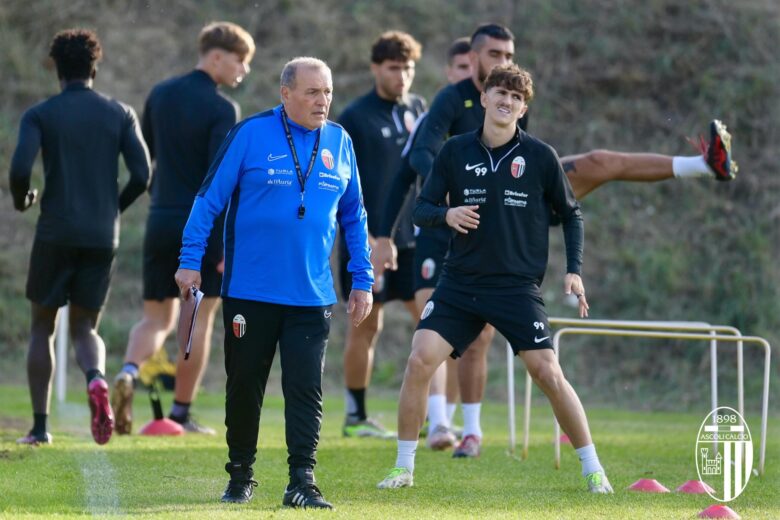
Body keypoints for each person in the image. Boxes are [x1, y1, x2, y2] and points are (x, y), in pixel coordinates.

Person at [375, 22, 737, 459]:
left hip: (514, 211)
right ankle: (447, 426)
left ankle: (704, 164)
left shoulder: (513, 100)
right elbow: (413, 162)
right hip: (460, 223)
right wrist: (393, 228)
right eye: (495, 56)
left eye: (509, 56)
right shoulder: (452, 102)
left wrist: (571, 266)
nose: (503, 63)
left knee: (598, 161)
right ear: (473, 62)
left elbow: (533, 168)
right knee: (452, 341)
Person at [377, 63, 613, 493]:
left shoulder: (540, 157)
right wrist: (447, 213)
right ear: (483, 98)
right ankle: (403, 467)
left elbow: (572, 214)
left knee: (548, 373)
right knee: (419, 360)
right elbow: (421, 210)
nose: (506, 102)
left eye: (516, 98)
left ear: (523, 109)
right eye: (499, 93)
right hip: (460, 283)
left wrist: (574, 271)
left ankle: (593, 468)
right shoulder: (453, 152)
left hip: (515, 288)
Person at [175, 57, 373, 510]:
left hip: (312, 295)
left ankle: (302, 480)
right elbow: (208, 200)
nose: (322, 101)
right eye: (311, 92)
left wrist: (362, 279)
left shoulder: (340, 142)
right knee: (245, 385)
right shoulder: (250, 134)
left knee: (306, 389)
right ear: (285, 94)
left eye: (327, 92)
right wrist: (190, 261)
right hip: (250, 291)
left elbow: (354, 216)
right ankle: (241, 474)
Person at [111, 21, 255, 436]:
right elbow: (220, 181)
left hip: (160, 218)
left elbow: (147, 158)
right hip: (202, 227)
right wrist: (227, 243)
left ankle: (129, 369)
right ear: (216, 56)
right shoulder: (224, 109)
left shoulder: (160, 94)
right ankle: (179, 413)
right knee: (198, 320)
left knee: (156, 319)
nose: (243, 71)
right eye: (240, 60)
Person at [9, 29, 150, 446]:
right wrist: (112, 210)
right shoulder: (120, 113)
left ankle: (39, 428)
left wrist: (24, 199)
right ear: (95, 66)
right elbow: (142, 176)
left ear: (56, 67)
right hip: (101, 236)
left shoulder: (40, 114)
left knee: (42, 327)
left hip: (55, 230)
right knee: (86, 327)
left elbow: (19, 171)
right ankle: (95, 379)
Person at [374, 37, 473, 446]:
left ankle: (458, 423)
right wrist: (382, 234)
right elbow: (403, 174)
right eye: (462, 68)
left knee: (473, 338)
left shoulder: (499, 118)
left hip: (478, 241)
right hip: (431, 235)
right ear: (451, 73)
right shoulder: (436, 115)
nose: (470, 76)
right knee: (431, 324)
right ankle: (437, 424)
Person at [337, 31, 426, 439]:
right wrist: (366, 237)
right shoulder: (355, 116)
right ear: (376, 68)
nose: (402, 76)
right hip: (368, 239)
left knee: (432, 322)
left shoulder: (420, 109)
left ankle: (434, 416)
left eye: (408, 68)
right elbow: (341, 181)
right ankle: (355, 416)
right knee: (366, 326)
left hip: (414, 238)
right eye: (394, 68)